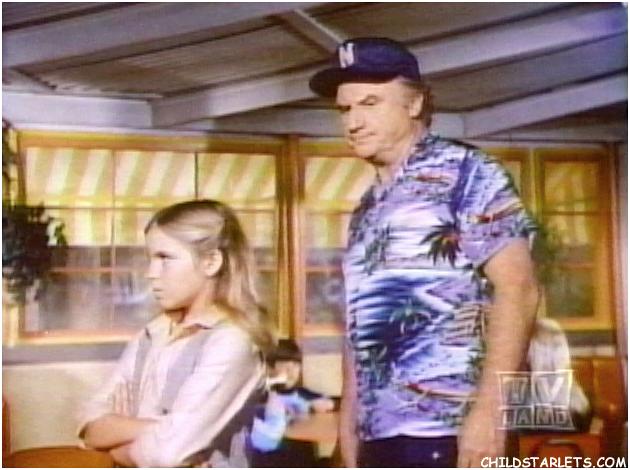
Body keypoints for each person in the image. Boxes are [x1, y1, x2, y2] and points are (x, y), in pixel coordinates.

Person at [309, 37, 540, 467]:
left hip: (451, 430)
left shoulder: (469, 172)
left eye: (370, 103)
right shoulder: (367, 207)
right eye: (345, 109)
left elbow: (519, 289)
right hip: (379, 434)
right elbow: (361, 326)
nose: (353, 122)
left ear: (414, 104)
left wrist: (490, 414)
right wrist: (348, 430)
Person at [77, 199, 274, 467]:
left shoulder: (233, 340)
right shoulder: (153, 333)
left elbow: (167, 454)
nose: (150, 273)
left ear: (211, 262)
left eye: (164, 258)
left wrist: (115, 440)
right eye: (150, 259)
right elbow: (88, 427)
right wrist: (163, 427)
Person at [251, 339, 335, 467]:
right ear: (270, 367)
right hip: (272, 458)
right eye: (284, 364)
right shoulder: (262, 396)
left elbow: (328, 403)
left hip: (303, 459)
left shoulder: (301, 393)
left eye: (296, 365)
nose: (291, 371)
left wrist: (314, 405)